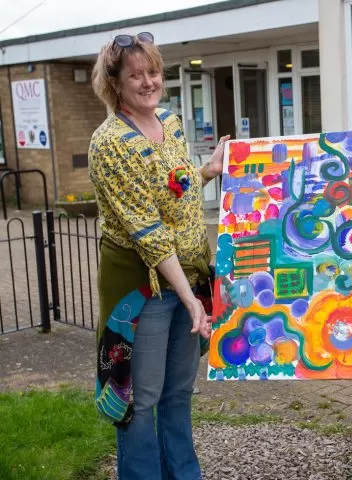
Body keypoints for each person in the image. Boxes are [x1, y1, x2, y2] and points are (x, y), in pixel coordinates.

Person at [89, 31, 230, 480]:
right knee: (139, 399)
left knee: (177, 394)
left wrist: (207, 170)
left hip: (184, 279)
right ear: (116, 82)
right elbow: (147, 231)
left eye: (153, 71)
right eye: (136, 75)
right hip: (143, 290)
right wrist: (191, 299)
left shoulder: (169, 122)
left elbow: (178, 193)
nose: (148, 81)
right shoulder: (109, 143)